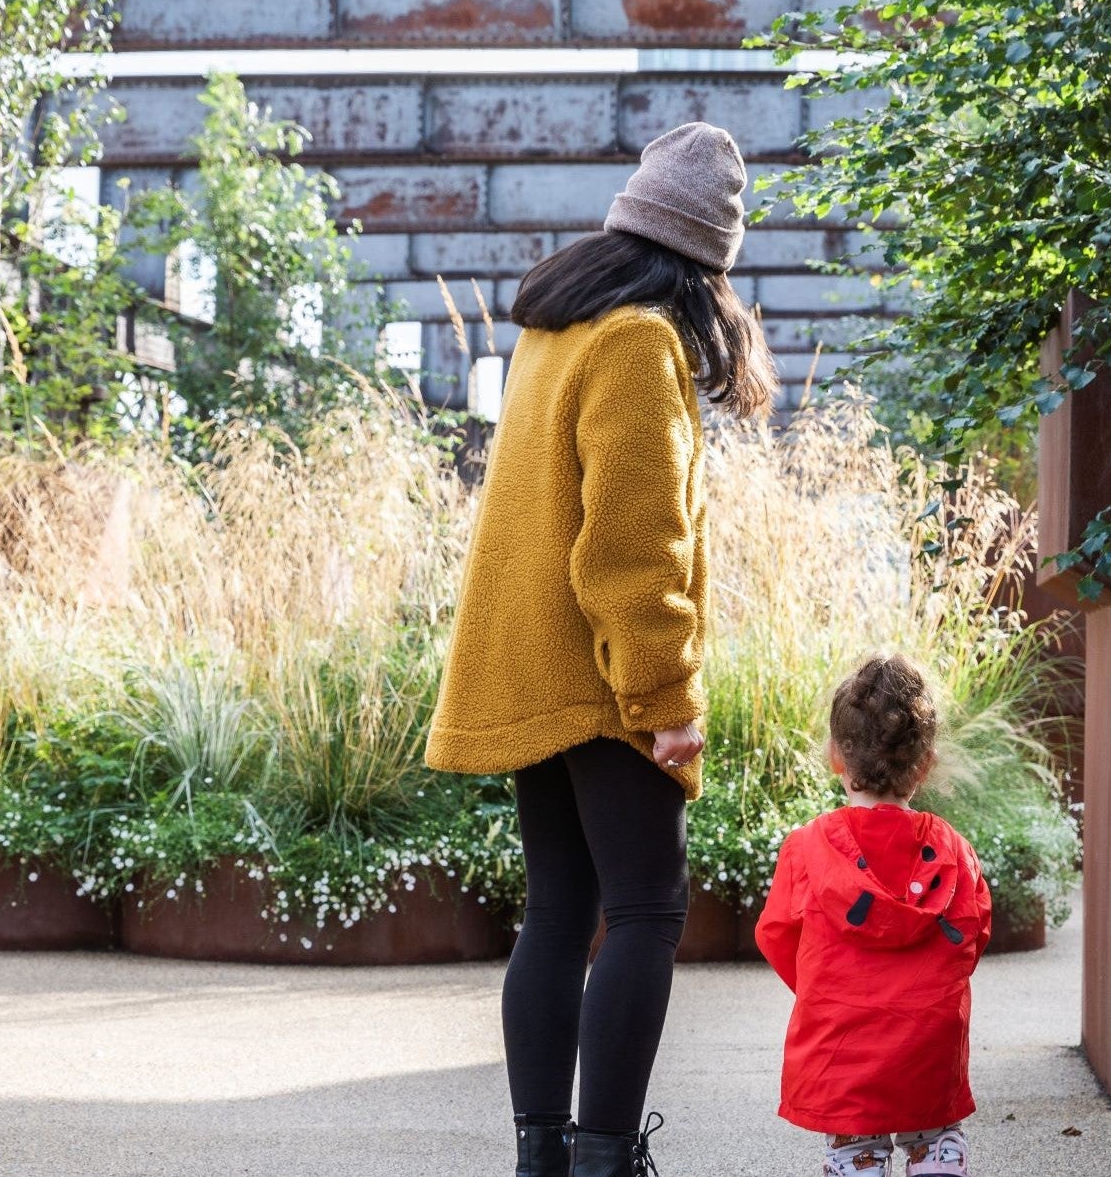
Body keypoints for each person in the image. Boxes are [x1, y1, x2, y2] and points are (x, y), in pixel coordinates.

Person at [424, 121, 777, 1177]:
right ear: (706, 261)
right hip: (601, 677)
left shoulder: (556, 328)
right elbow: (631, 545)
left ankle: (546, 1156)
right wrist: (665, 694)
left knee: (559, 910)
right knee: (643, 909)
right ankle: (605, 1158)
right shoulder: (638, 341)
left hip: (532, 664)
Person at [754, 654, 992, 1177]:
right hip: (927, 1042)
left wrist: (826, 985)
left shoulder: (808, 849)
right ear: (925, 762)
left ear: (837, 755)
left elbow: (776, 935)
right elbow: (973, 933)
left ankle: (860, 1164)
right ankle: (936, 1159)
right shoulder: (953, 849)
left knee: (854, 1146)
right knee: (935, 1132)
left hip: (843, 1044)